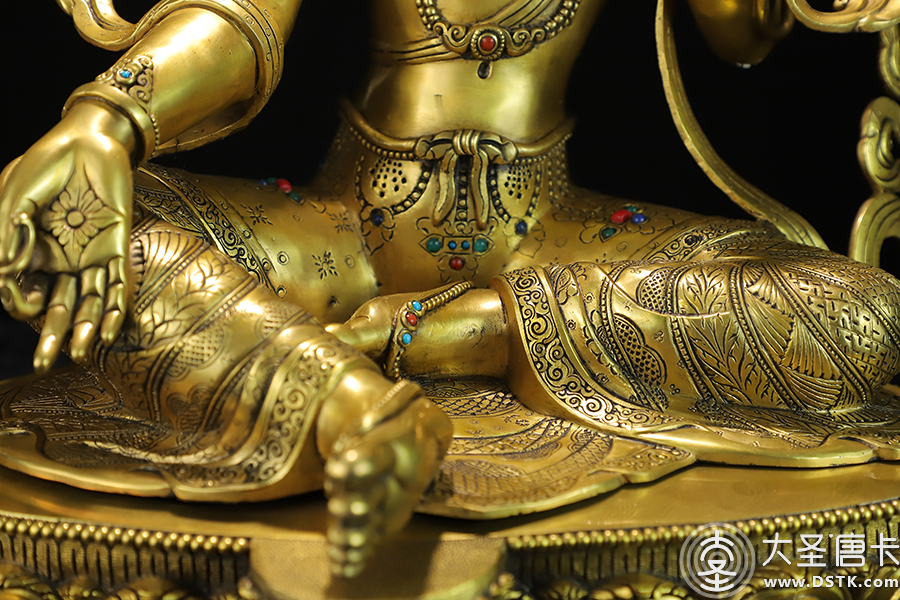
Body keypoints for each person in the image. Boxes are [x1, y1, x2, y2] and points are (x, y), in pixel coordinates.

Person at [0, 0, 899, 579]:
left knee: (862, 312)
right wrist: (107, 118)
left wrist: (489, 321)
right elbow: (241, 18)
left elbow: (743, 30)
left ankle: (457, 344)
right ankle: (350, 413)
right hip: (339, 239)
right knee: (63, 231)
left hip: (555, 245)